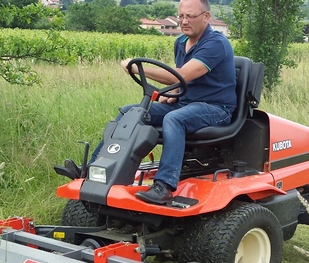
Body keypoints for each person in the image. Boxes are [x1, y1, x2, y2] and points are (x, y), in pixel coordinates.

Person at [93, 0, 236, 205]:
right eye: (181, 16)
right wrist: (171, 93)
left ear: (206, 17)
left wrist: (137, 68)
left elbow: (181, 75)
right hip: (186, 103)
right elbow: (184, 80)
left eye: (190, 16)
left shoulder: (216, 44)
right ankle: (96, 168)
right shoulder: (180, 42)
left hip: (216, 108)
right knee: (130, 112)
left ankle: (164, 186)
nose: (184, 21)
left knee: (174, 119)